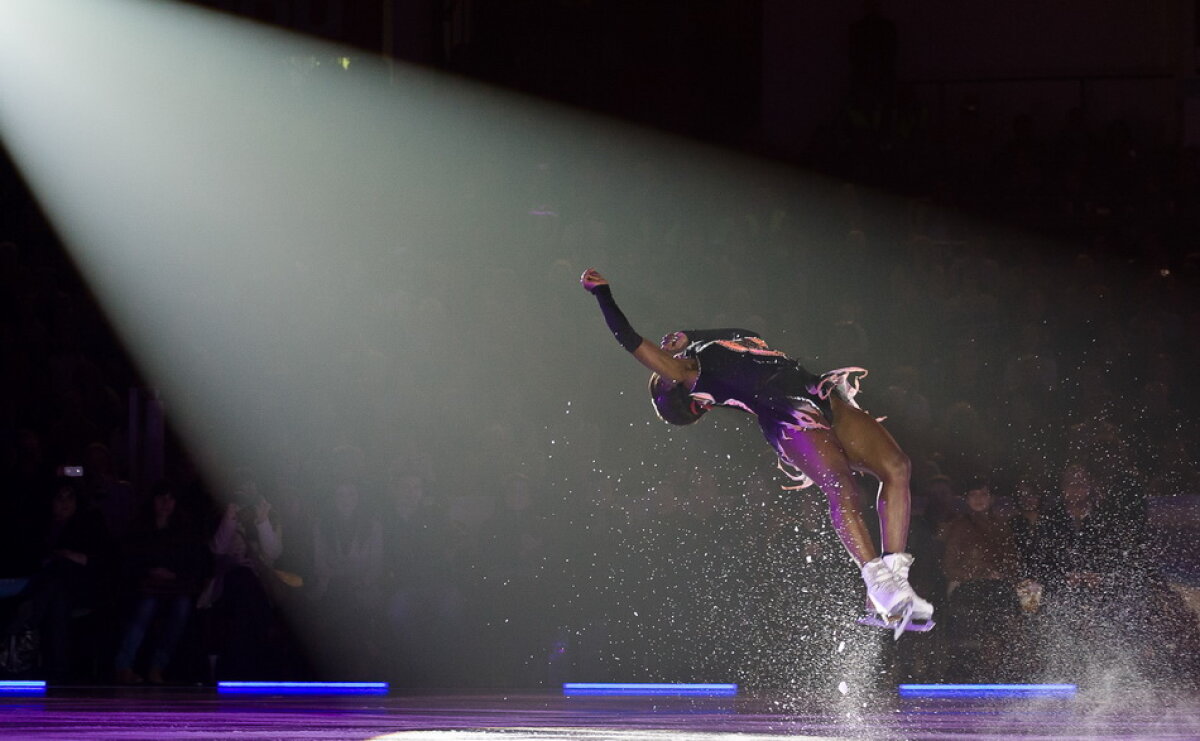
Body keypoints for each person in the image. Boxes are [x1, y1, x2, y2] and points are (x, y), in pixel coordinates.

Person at [580, 268, 933, 636]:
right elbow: (629, 339)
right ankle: (878, 584)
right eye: (663, 377)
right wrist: (602, 293)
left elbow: (751, 337)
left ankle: (893, 584)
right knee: (841, 486)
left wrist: (692, 335)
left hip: (815, 392)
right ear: (687, 395)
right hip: (788, 417)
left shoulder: (701, 350)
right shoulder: (688, 373)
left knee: (897, 467)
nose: (664, 368)